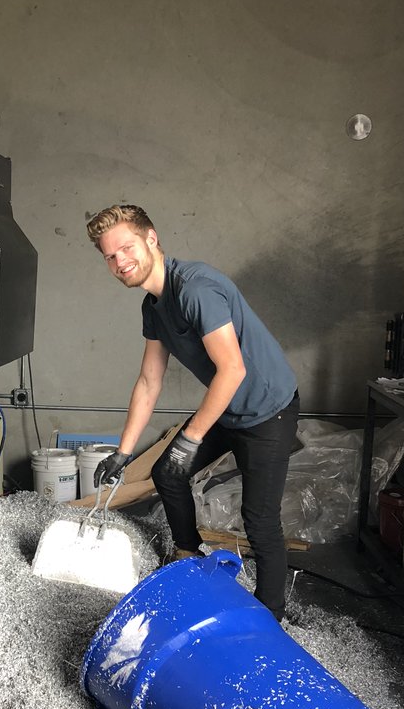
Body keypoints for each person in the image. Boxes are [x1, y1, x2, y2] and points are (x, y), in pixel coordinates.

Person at [85, 204, 299, 622]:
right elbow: (149, 381)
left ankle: (270, 618)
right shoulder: (153, 306)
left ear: (151, 239)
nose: (119, 262)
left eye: (126, 248)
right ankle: (188, 555)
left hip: (266, 410)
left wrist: (191, 438)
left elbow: (233, 370)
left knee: (259, 520)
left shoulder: (195, 289)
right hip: (228, 407)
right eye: (109, 256)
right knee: (167, 473)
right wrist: (123, 452)